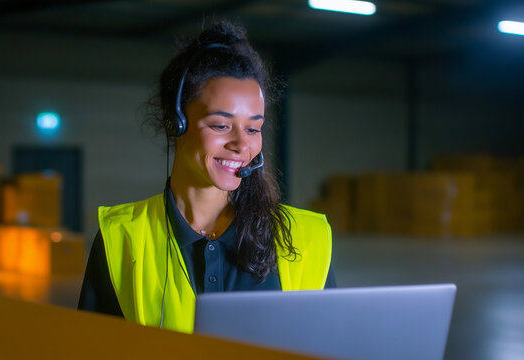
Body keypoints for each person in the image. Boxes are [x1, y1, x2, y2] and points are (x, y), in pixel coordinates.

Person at [78, 20, 335, 334]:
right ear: (176, 122)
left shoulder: (307, 238)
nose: (242, 144)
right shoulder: (120, 238)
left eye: (253, 128)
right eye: (220, 125)